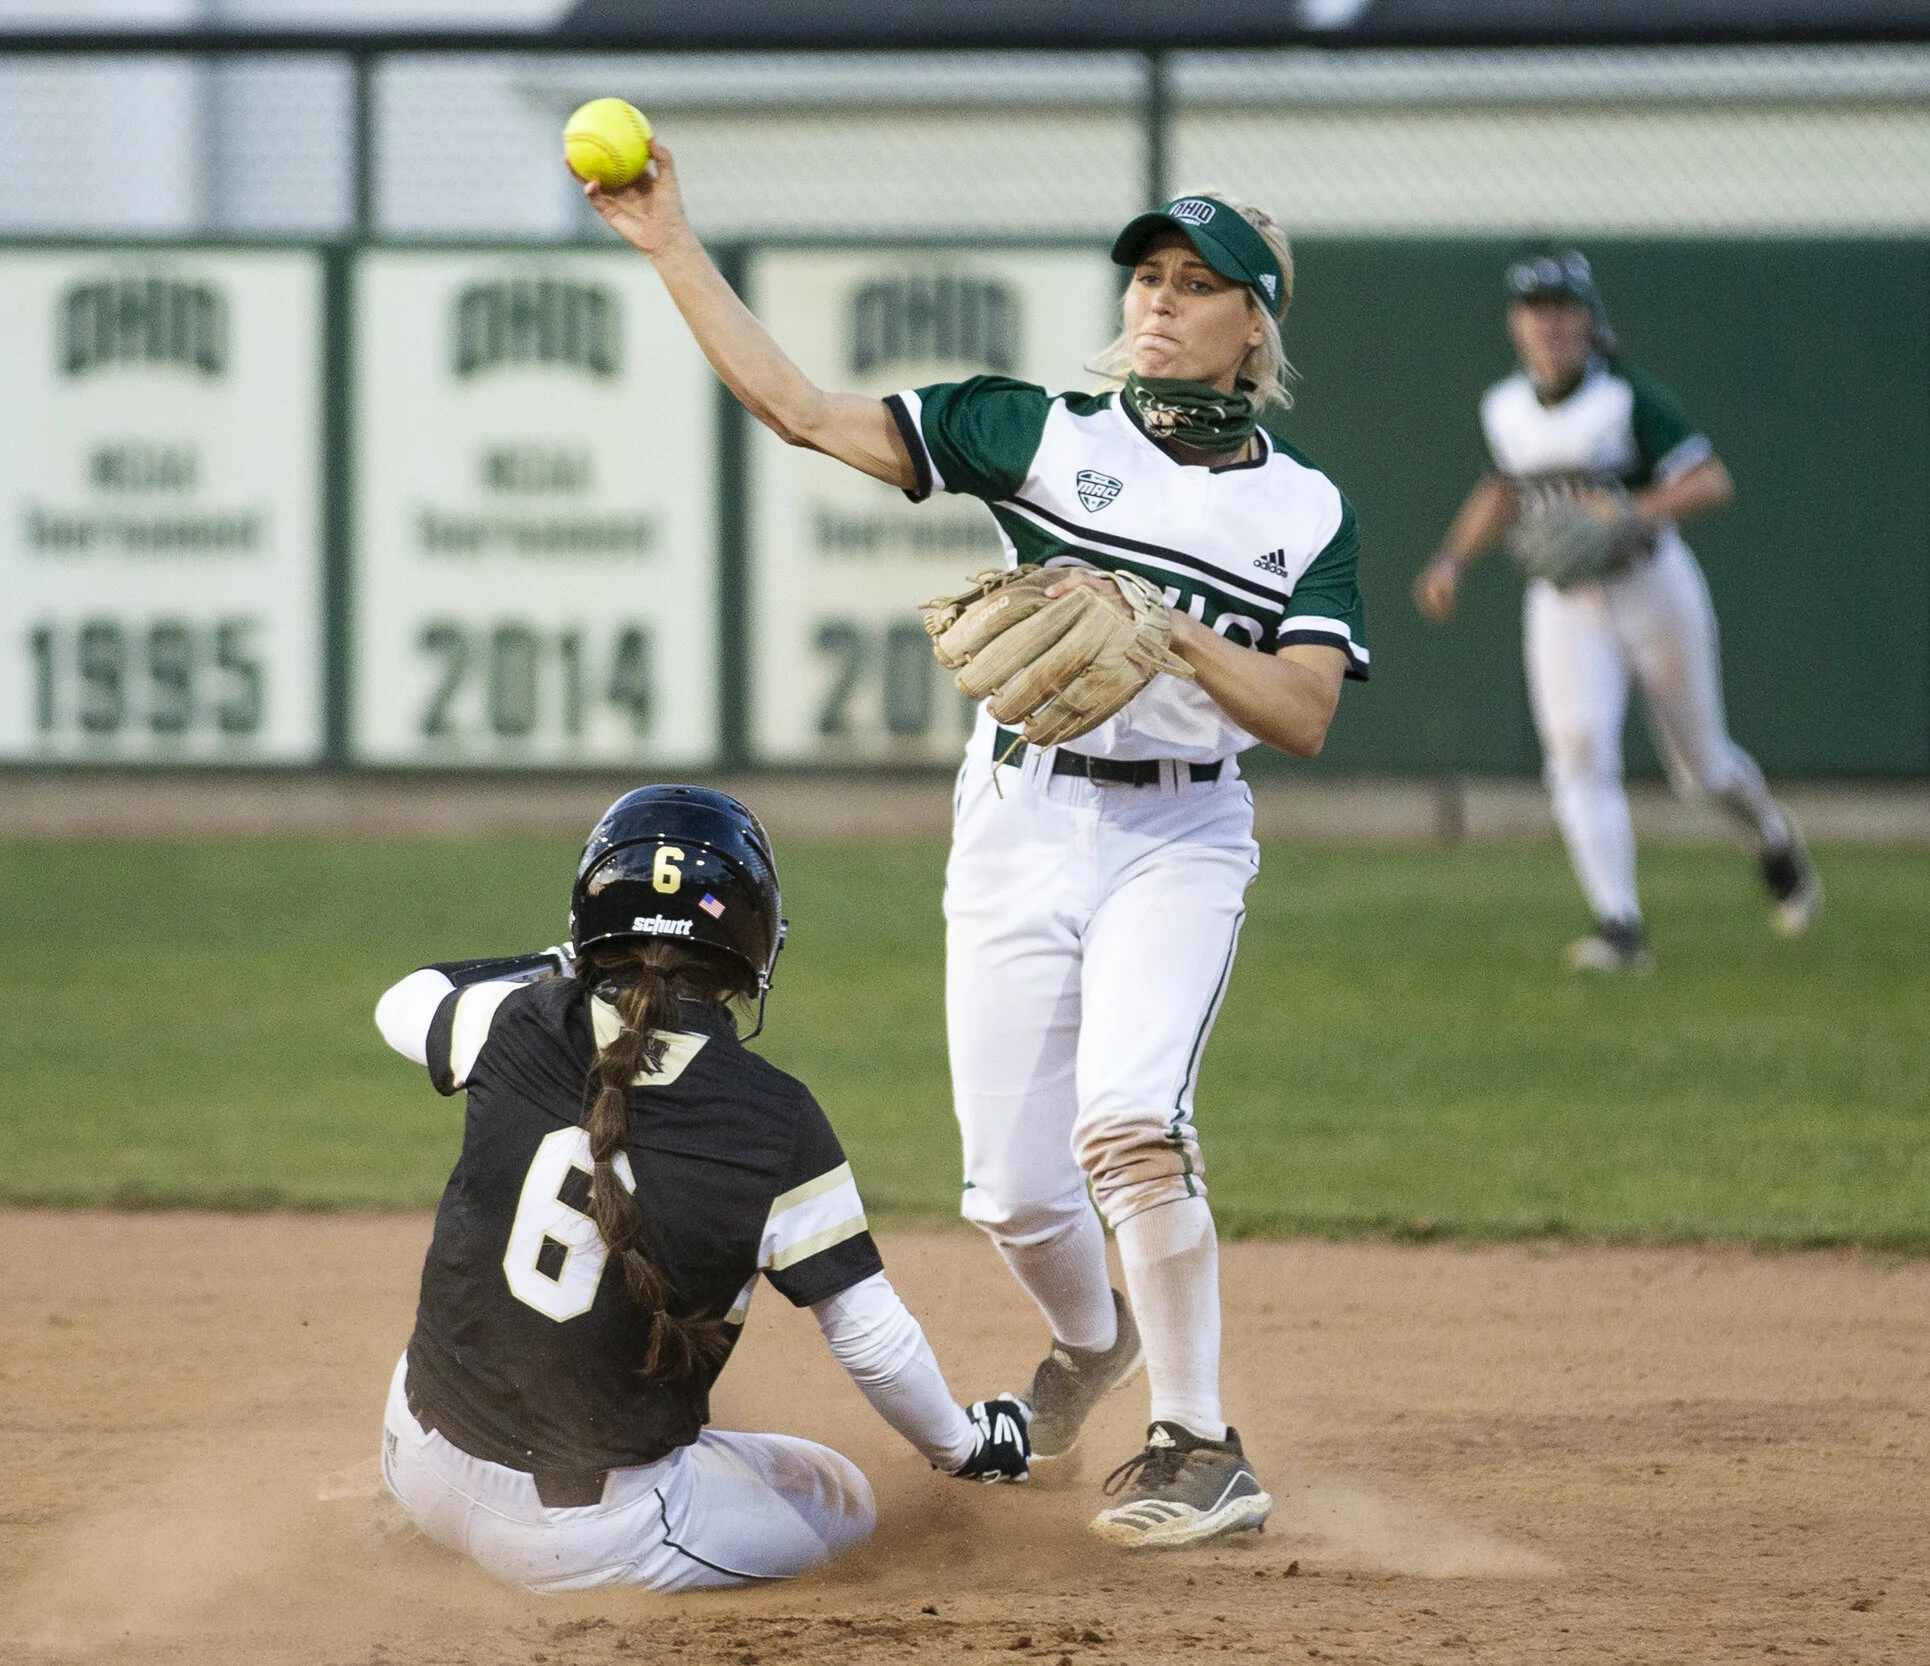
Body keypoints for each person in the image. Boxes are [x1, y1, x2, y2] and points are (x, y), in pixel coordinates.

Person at [586, 153, 1367, 1547]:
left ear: (1257, 325)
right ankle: (1097, 1340)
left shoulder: (1301, 509)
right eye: (1149, 276)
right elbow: (801, 409)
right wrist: (667, 239)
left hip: (1180, 830)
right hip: (1018, 818)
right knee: (1010, 1192)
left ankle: (1199, 1439)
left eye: (1200, 286)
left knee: (1128, 1119)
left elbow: (1302, 709)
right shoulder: (1040, 433)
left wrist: (1165, 624)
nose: (1163, 303)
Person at [369, 784, 1032, 1593]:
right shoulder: (773, 1120)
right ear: (754, 944)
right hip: (584, 1544)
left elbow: (405, 1001)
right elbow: (872, 1340)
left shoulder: (516, 1023)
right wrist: (962, 1448)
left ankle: (435, 1516)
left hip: (416, 1458)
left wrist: (558, 965)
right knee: (841, 1495)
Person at [1416, 250, 1821, 973]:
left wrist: (1630, 509)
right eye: (1536, 310)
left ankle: (1771, 837)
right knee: (1576, 752)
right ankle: (1620, 927)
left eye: (1564, 309)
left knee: (1703, 770)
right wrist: (1453, 559)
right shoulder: (1504, 407)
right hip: (1565, 600)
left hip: (1651, 585)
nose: (1551, 325)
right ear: (1516, 323)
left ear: (1588, 318)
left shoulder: (1627, 396)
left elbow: (1710, 481)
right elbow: (1503, 490)